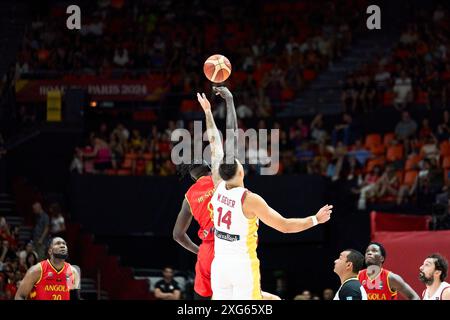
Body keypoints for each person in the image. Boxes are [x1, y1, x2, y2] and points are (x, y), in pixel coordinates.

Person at [196, 92, 333, 300]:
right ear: (241, 172)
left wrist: (208, 111)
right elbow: (285, 226)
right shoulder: (250, 200)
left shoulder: (217, 184)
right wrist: (316, 219)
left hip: (220, 264)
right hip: (241, 265)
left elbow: (215, 142)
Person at [15, 237, 81, 300]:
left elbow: (74, 297)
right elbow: (19, 296)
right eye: (58, 243)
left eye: (64, 244)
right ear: (50, 251)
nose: (62, 246)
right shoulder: (37, 270)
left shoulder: (72, 272)